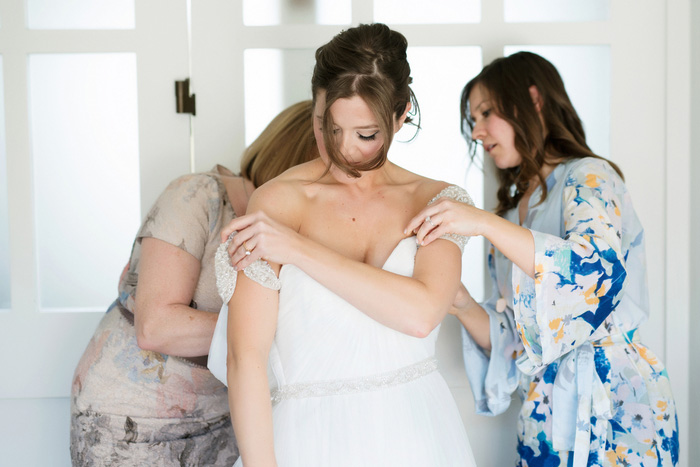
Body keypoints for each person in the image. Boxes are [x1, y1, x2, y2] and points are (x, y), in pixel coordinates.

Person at [211, 23, 476, 467]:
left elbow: (421, 314)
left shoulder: (437, 202)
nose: (343, 150)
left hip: (418, 439)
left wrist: (297, 249)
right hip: (307, 442)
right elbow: (245, 358)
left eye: (366, 135)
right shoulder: (278, 201)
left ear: (401, 114)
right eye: (326, 128)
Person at [405, 51, 679, 466]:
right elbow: (517, 342)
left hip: (618, 404)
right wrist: (455, 299)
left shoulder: (590, 176)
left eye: (486, 113)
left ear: (532, 99)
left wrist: (480, 222)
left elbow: (594, 269)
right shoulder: (508, 217)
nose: (477, 132)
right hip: (546, 411)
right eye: (473, 121)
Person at [70, 100, 318, 466]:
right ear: (297, 159)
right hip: (134, 419)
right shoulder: (200, 194)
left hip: (228, 414)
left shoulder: (297, 234)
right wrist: (274, 323)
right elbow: (156, 327)